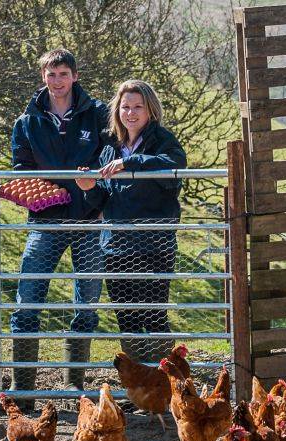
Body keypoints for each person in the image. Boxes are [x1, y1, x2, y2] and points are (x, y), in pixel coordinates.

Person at [9, 49, 108, 400]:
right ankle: (22, 387)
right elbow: (19, 166)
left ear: (75, 76)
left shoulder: (98, 115)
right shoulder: (28, 121)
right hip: (45, 221)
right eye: (51, 74)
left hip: (89, 221)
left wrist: (94, 197)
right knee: (27, 301)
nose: (57, 80)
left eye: (63, 73)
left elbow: (110, 160)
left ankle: (74, 382)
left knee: (88, 302)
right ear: (43, 77)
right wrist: (44, 190)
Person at [77, 80, 187, 362]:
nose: (131, 113)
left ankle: (165, 382)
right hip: (117, 246)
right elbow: (104, 200)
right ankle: (139, 384)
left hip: (153, 244)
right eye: (125, 106)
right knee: (126, 317)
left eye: (138, 106)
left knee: (153, 314)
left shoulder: (163, 141)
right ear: (117, 110)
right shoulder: (110, 148)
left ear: (150, 109)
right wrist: (89, 188)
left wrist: (131, 163)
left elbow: (174, 164)